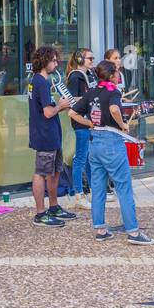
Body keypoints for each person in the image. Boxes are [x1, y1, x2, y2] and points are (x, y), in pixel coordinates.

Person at [69, 59, 154, 245]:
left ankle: (100, 229)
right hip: (111, 141)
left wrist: (90, 123)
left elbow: (72, 113)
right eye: (116, 72)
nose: (118, 75)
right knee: (123, 187)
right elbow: (115, 108)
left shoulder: (91, 92)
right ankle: (133, 232)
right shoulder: (113, 91)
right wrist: (123, 124)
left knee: (98, 188)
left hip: (95, 141)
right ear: (110, 75)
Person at [28, 45, 76, 228]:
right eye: (53, 60)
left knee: (55, 172)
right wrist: (62, 106)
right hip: (45, 135)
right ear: (44, 61)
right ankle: (41, 213)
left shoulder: (40, 81)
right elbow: (48, 112)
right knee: (41, 173)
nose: (56, 63)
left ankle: (54, 206)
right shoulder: (41, 82)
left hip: (51, 134)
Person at [66, 47, 96, 200]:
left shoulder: (88, 75)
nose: (92, 61)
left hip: (88, 119)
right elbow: (71, 100)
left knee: (89, 157)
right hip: (80, 120)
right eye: (90, 58)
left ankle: (93, 189)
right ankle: (78, 194)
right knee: (81, 158)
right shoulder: (75, 77)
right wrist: (88, 98)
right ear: (79, 60)